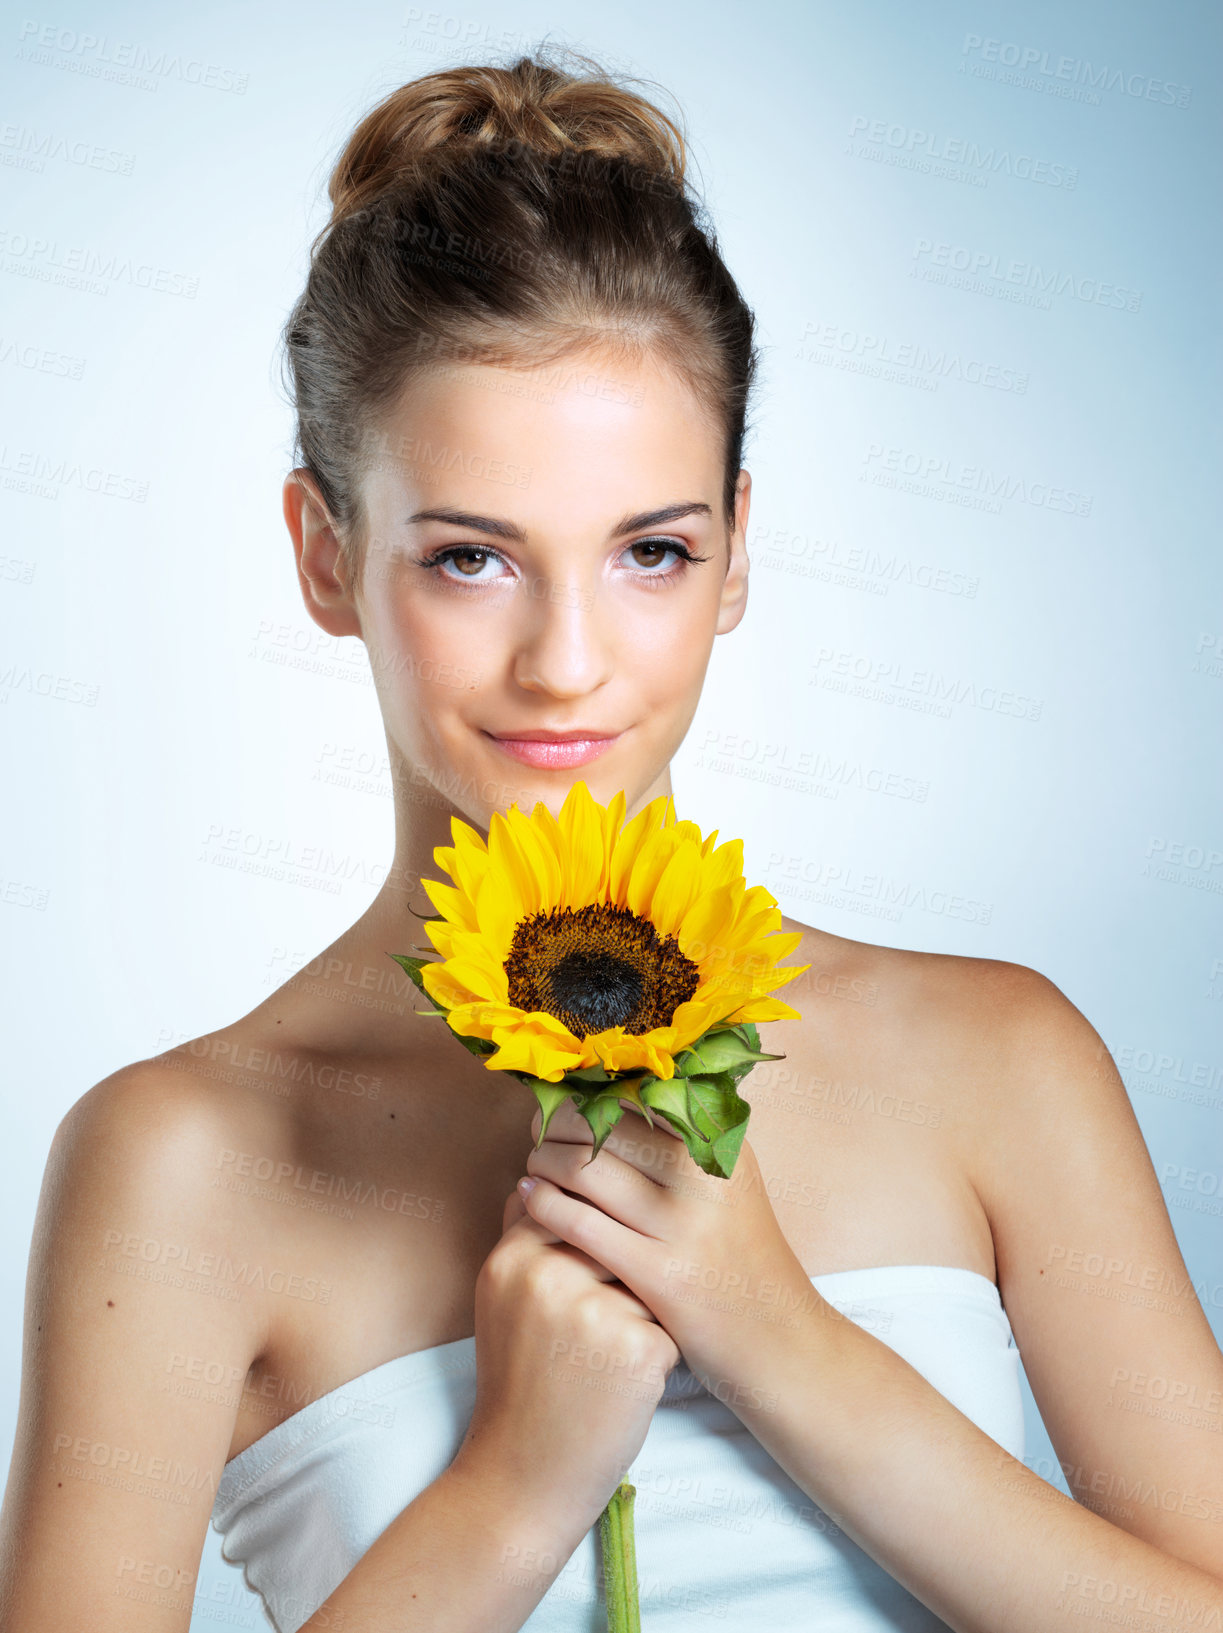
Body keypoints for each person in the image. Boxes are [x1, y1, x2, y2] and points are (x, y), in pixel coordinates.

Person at [2, 42, 1221, 1633]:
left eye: (649, 549)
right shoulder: (183, 1162)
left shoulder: (1000, 1057)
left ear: (732, 557)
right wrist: (512, 1487)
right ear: (324, 555)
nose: (567, 660)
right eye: (472, 560)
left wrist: (783, 1339)